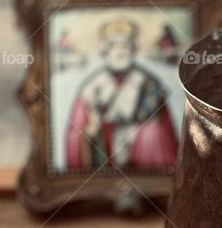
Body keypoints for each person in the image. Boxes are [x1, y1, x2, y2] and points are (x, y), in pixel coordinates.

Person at [65, 19, 179, 170]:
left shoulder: (149, 84)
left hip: (139, 157)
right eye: (113, 46)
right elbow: (75, 134)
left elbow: (163, 130)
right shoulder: (90, 88)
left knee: (151, 133)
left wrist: (140, 133)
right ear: (105, 52)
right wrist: (90, 129)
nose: (119, 52)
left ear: (132, 50)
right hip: (103, 157)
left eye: (124, 46)